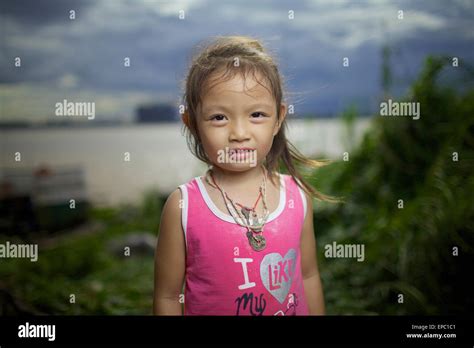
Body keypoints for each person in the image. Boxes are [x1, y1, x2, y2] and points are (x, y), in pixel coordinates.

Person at [153, 35, 335, 316]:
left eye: (257, 114)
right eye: (219, 118)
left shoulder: (296, 197)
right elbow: (167, 296)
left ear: (278, 119)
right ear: (192, 125)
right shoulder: (183, 207)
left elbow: (308, 276)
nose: (239, 134)